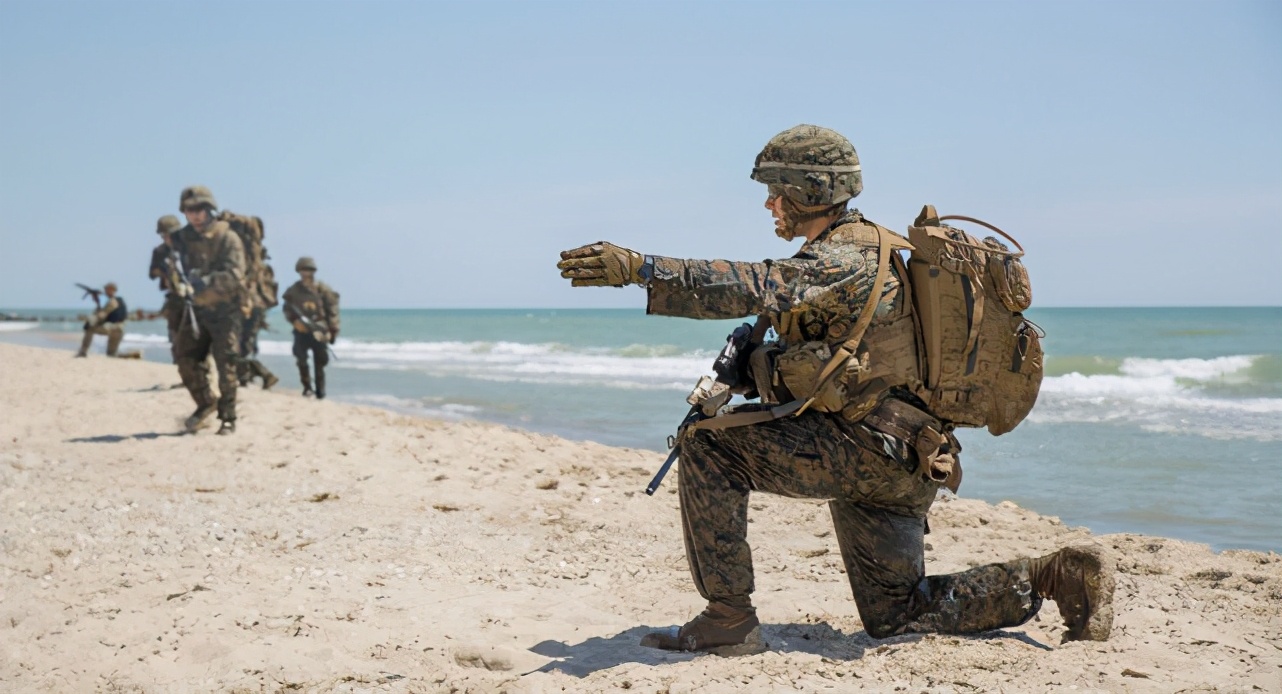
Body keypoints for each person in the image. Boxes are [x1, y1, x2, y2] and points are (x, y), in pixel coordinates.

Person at [556, 125, 1114, 656]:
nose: (770, 205)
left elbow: (751, 283)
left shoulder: (845, 258)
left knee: (706, 443)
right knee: (896, 614)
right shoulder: (867, 253)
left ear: (810, 190)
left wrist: (641, 268)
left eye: (777, 193)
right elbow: (834, 361)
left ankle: (727, 620)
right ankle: (1054, 576)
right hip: (905, 459)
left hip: (866, 452)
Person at [169, 185, 246, 435]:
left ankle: (228, 417)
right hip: (196, 310)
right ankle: (206, 403)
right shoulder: (183, 238)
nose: (195, 215)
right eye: (190, 210)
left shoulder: (227, 237)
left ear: (209, 208)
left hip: (225, 310)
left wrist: (208, 279)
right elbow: (172, 263)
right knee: (184, 356)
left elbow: (236, 275)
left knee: (227, 365)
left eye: (200, 209)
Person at [281, 257, 339, 399]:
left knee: (320, 362)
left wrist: (332, 330)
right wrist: (295, 321)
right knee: (301, 359)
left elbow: (332, 310)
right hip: (302, 331)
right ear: (299, 271)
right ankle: (307, 387)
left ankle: (321, 390)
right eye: (303, 270)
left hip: (319, 329)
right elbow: (287, 309)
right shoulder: (293, 290)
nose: (306, 273)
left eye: (309, 270)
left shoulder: (323, 289)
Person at [148, 214, 186, 356]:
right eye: (164, 235)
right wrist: (165, 273)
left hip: (195, 295)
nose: (167, 237)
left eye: (171, 234)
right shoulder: (160, 251)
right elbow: (152, 273)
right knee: (175, 337)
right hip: (174, 297)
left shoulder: (190, 248)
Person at [76, 282, 128, 357]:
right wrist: (97, 302)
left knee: (89, 328)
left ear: (111, 290)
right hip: (119, 330)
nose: (105, 291)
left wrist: (88, 320)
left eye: (106, 289)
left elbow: (101, 315)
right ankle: (130, 356)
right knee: (111, 355)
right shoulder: (118, 300)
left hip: (113, 328)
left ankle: (83, 352)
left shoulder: (112, 301)